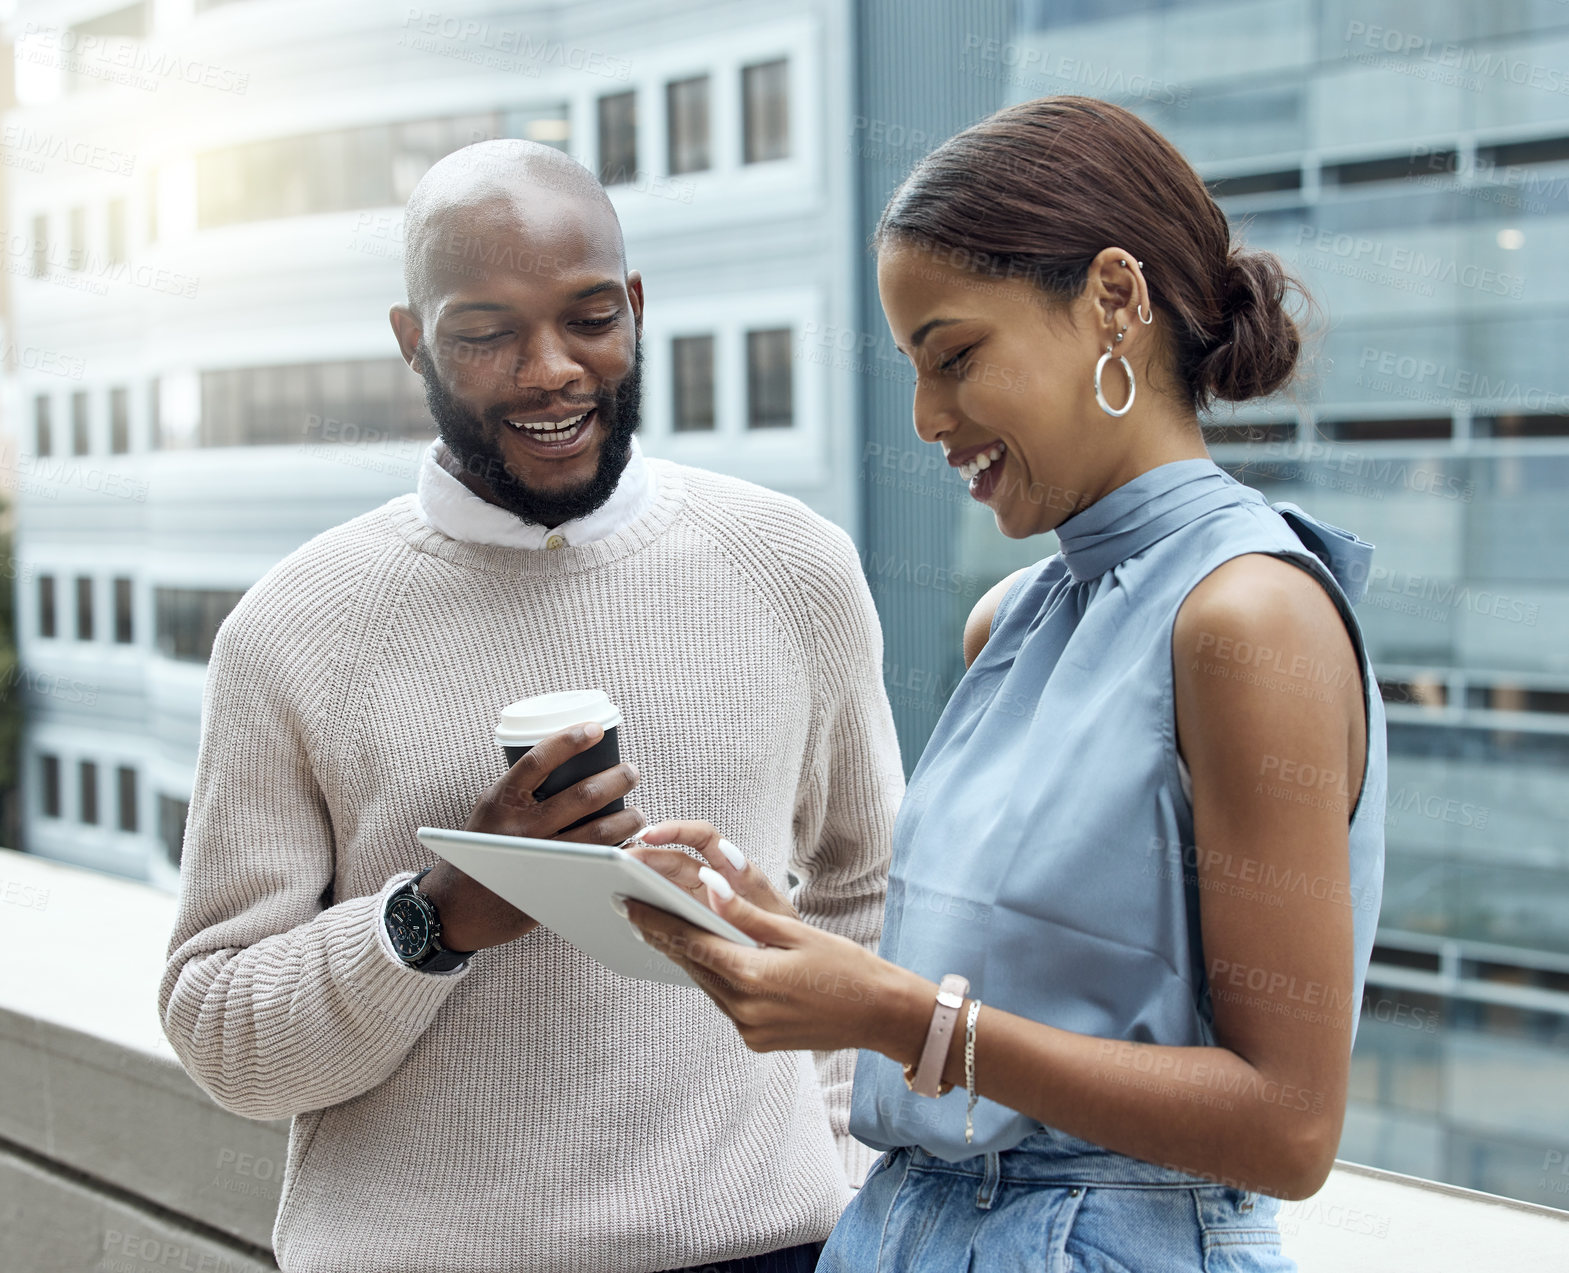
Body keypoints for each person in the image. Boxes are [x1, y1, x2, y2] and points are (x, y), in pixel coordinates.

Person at [623, 96, 1386, 1271]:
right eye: (914, 369)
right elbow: (994, 1000)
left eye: (958, 356)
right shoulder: (1012, 621)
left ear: (1115, 302)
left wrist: (891, 1015)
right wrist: (791, 943)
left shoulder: (1246, 617)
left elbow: (1287, 1127)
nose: (929, 418)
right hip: (902, 1227)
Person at [158, 140, 902, 1273]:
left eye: (589, 317)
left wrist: (844, 1172)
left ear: (636, 309)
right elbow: (221, 1032)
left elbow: (870, 893)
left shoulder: (793, 567)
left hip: (768, 1254)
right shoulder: (288, 629)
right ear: (414, 343)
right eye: (486, 332)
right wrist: (435, 920)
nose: (551, 368)